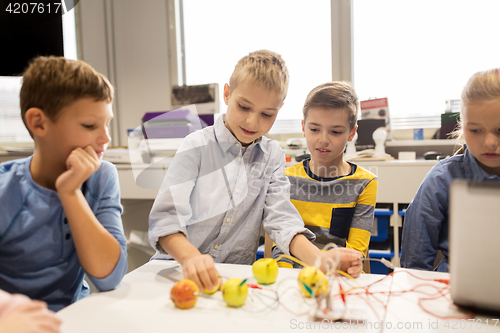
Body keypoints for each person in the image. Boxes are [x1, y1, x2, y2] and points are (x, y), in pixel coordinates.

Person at [148, 50, 362, 291]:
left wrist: (319, 258)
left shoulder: (273, 156)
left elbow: (281, 218)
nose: (252, 122)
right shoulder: (196, 146)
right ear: (227, 94)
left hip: (232, 279)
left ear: (279, 109)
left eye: (266, 114)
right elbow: (165, 220)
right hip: (177, 272)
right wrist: (191, 258)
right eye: (244, 107)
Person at [0, 56, 128, 311]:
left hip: (74, 319)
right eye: (90, 125)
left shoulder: (102, 177)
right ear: (38, 122)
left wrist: (70, 193)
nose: (105, 138)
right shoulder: (5, 189)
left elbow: (110, 277)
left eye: (107, 123)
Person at [401, 68, 500, 272]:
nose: (490, 142)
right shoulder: (442, 179)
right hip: (452, 290)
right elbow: (414, 266)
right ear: (462, 128)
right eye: (475, 130)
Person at [273, 82, 378, 268]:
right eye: (314, 129)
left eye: (335, 132)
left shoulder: (364, 183)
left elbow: (354, 256)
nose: (323, 139)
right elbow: (280, 249)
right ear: (303, 127)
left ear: (352, 132)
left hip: (336, 277)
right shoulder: (284, 178)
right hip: (291, 280)